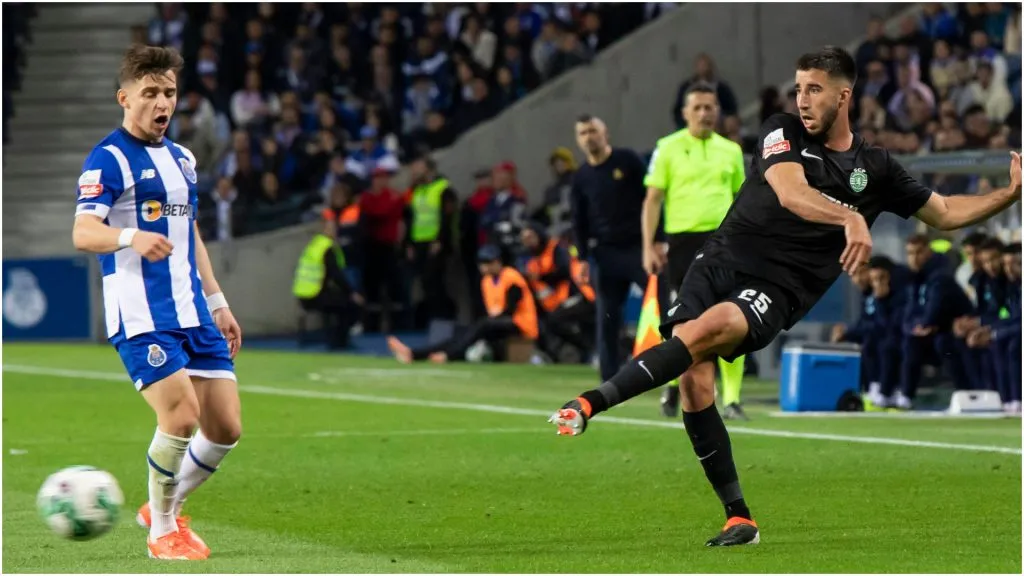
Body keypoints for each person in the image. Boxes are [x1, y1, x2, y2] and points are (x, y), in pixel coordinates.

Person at [548, 46, 1022, 547]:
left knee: (709, 332)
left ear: (845, 95)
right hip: (720, 261)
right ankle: (739, 518)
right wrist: (850, 216)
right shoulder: (782, 130)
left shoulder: (875, 168)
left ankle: (587, 404)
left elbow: (945, 212)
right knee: (694, 382)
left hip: (778, 287)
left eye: (814, 89)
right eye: (799, 88)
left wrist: (1009, 195)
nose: (802, 99)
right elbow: (790, 191)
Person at [71, 45, 245, 560]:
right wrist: (129, 238)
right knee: (181, 416)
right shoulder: (108, 158)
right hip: (142, 314)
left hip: (192, 310)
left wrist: (217, 301)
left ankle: (160, 505)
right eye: (149, 93)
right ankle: (162, 532)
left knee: (226, 429)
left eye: (168, 92)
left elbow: (190, 235)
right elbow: (83, 232)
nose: (161, 102)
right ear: (124, 98)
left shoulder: (184, 160)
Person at [643, 82, 749, 420]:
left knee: (734, 318)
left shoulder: (731, 151)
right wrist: (648, 244)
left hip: (724, 243)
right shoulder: (667, 148)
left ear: (718, 112)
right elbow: (653, 199)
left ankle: (731, 398)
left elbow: (741, 202)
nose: (705, 113)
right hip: (682, 245)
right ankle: (674, 384)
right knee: (682, 322)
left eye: (710, 107)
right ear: (685, 112)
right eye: (698, 108)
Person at [570, 114, 664, 382]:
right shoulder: (581, 177)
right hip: (605, 253)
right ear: (578, 140)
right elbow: (578, 220)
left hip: (639, 249)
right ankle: (609, 378)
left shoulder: (628, 160)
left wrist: (657, 240)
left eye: (593, 131)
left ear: (605, 133)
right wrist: (583, 258)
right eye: (583, 133)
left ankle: (674, 371)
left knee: (666, 307)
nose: (589, 137)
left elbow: (652, 200)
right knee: (607, 316)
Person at [387, 245, 538, 363]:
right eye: (482, 263)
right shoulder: (486, 282)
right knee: (460, 333)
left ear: (498, 262)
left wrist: (489, 321)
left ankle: (449, 355)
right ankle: (414, 354)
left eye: (488, 263)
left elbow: (510, 310)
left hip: (520, 324)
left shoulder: (512, 278)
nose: (484, 267)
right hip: (498, 323)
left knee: (481, 325)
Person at [900, 234, 977, 408]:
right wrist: (915, 327)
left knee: (944, 343)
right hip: (934, 330)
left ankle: (966, 394)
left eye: (918, 252)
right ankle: (904, 397)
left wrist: (925, 324)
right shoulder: (915, 278)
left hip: (953, 328)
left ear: (928, 252)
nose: (914, 258)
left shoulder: (941, 274)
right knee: (908, 340)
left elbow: (936, 306)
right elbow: (909, 312)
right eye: (910, 253)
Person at [832, 255, 907, 407]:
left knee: (880, 344)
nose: (858, 279)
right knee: (866, 344)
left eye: (861, 273)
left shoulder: (892, 291)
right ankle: (872, 388)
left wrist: (848, 332)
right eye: (853, 275)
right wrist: (846, 332)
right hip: (882, 338)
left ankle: (885, 391)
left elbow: (883, 324)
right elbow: (864, 322)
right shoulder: (867, 295)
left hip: (899, 336)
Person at [966, 242, 1022, 413]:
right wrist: (988, 330)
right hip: (1011, 329)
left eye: (1016, 264)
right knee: (995, 344)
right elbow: (1010, 317)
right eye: (1006, 264)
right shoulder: (1013, 287)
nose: (1009, 269)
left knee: (1012, 345)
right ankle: (1003, 399)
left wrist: (994, 332)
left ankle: (1017, 398)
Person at [406, 155, 458, 327]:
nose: (414, 171)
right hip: (419, 242)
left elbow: (447, 217)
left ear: (429, 169)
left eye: (418, 167)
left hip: (435, 243)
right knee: (426, 284)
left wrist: (440, 240)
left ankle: (443, 320)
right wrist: (409, 243)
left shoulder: (443, 188)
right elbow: (412, 219)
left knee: (436, 282)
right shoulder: (418, 190)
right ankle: (433, 321)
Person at [292, 225, 364, 349]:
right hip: (314, 294)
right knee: (349, 305)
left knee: (339, 300)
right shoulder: (327, 247)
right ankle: (340, 342)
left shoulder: (315, 244)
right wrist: (351, 293)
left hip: (304, 294)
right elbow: (335, 274)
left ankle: (336, 338)